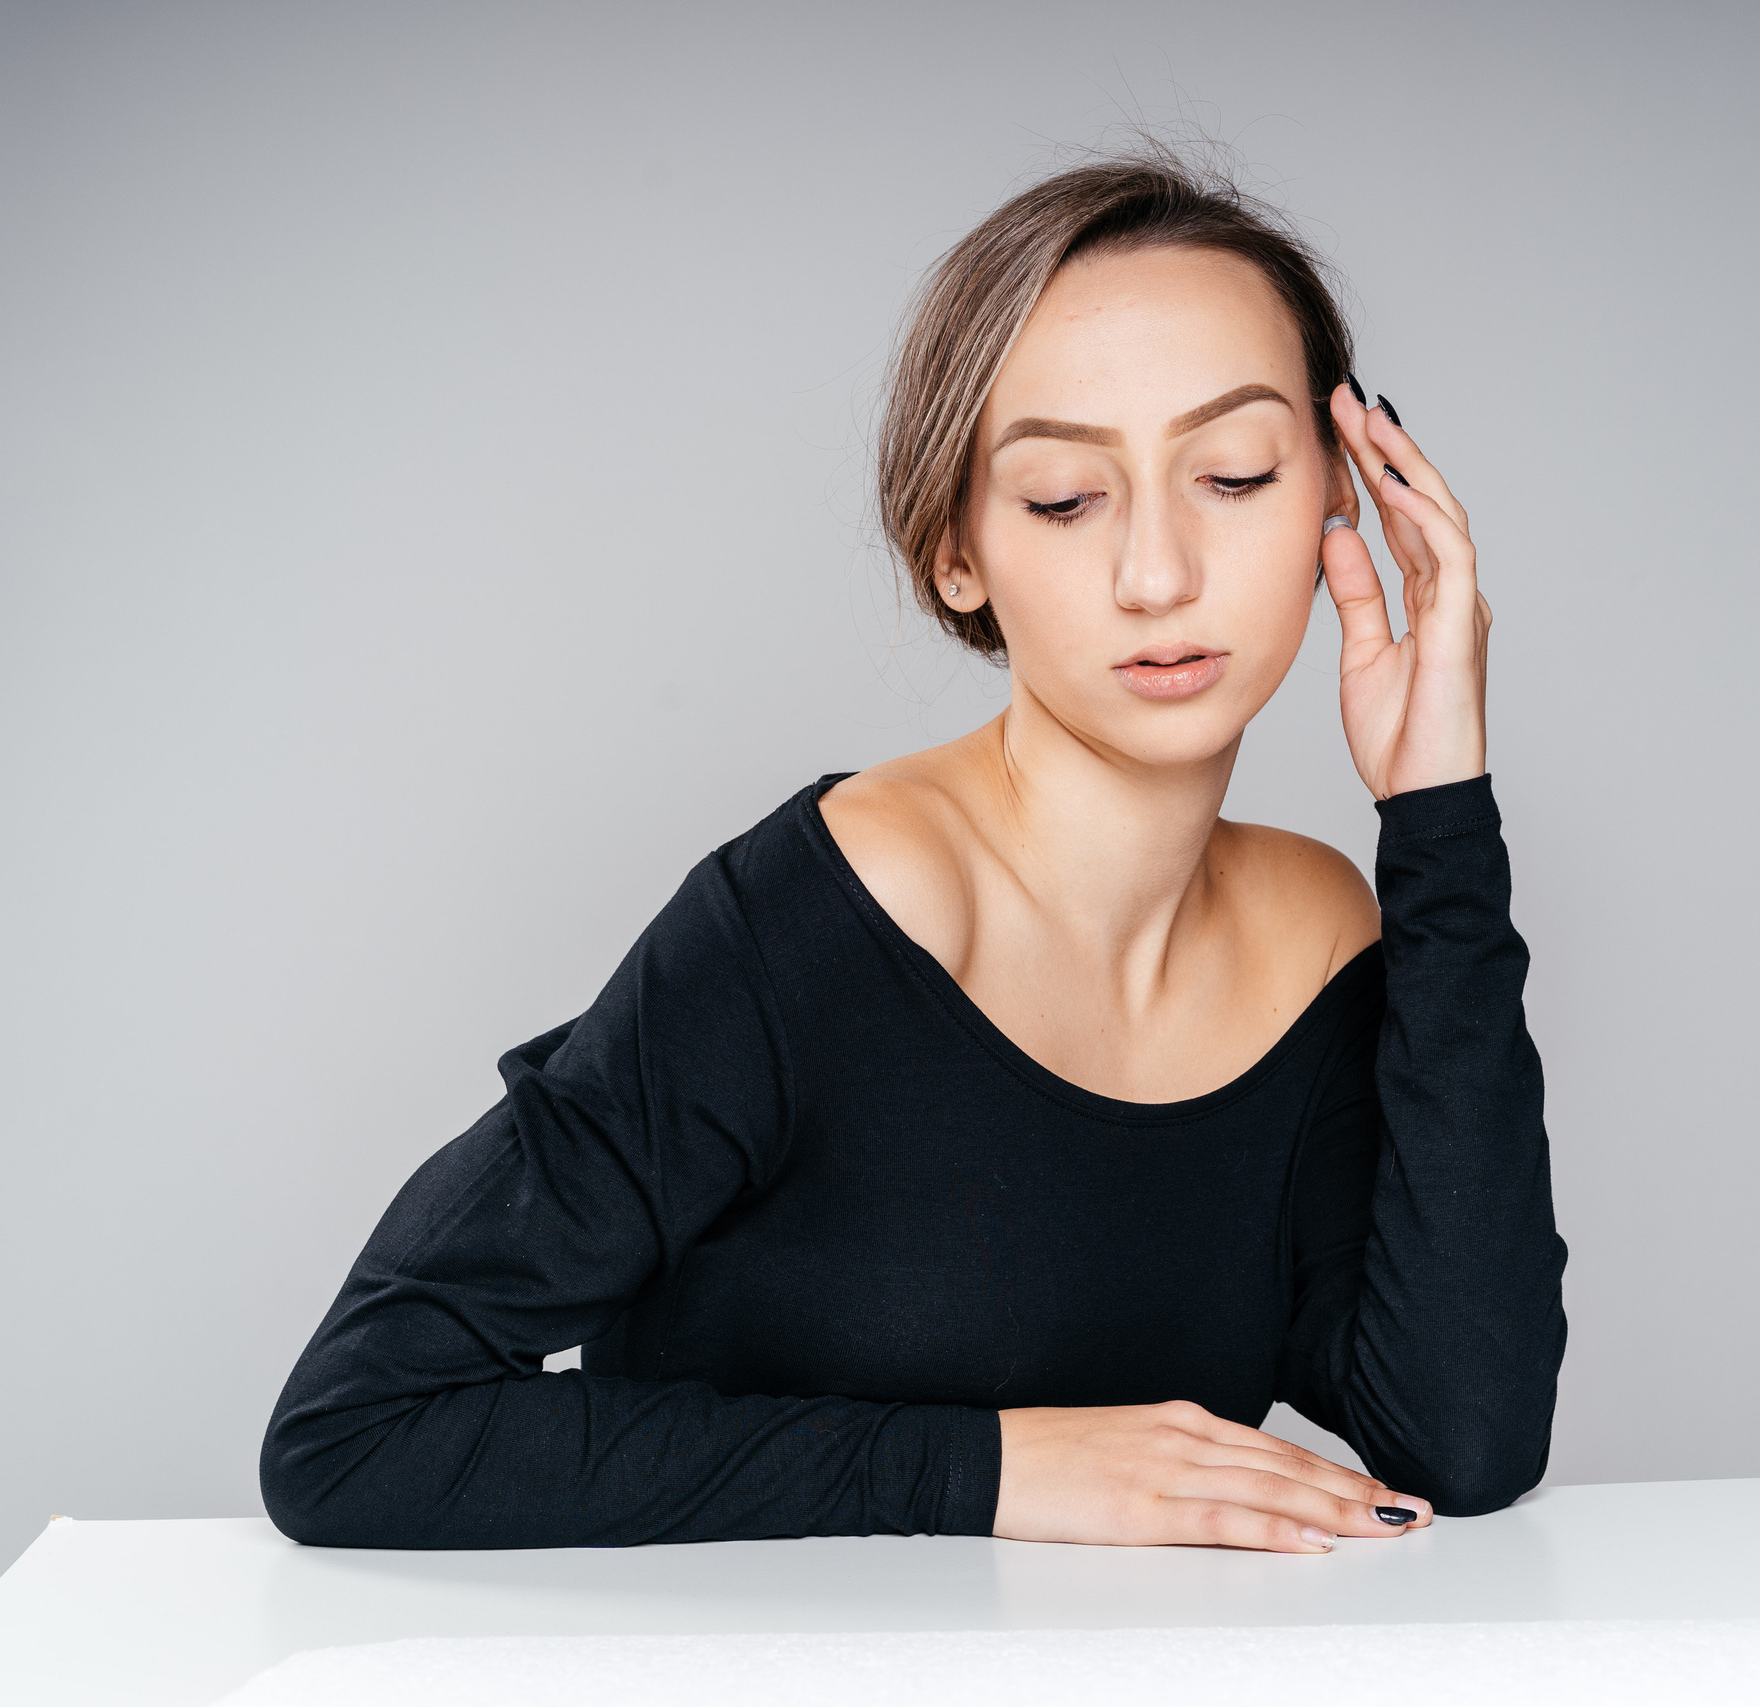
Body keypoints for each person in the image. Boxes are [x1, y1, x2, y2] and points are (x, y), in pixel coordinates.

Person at [260, 150, 1567, 1555]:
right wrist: (987, 1472)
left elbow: (1461, 1435)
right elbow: (354, 1433)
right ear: (957, 553)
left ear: (1339, 498)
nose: (1159, 575)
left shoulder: (1317, 932)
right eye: (1064, 498)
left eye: (1236, 475)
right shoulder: (830, 913)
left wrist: (1440, 814)